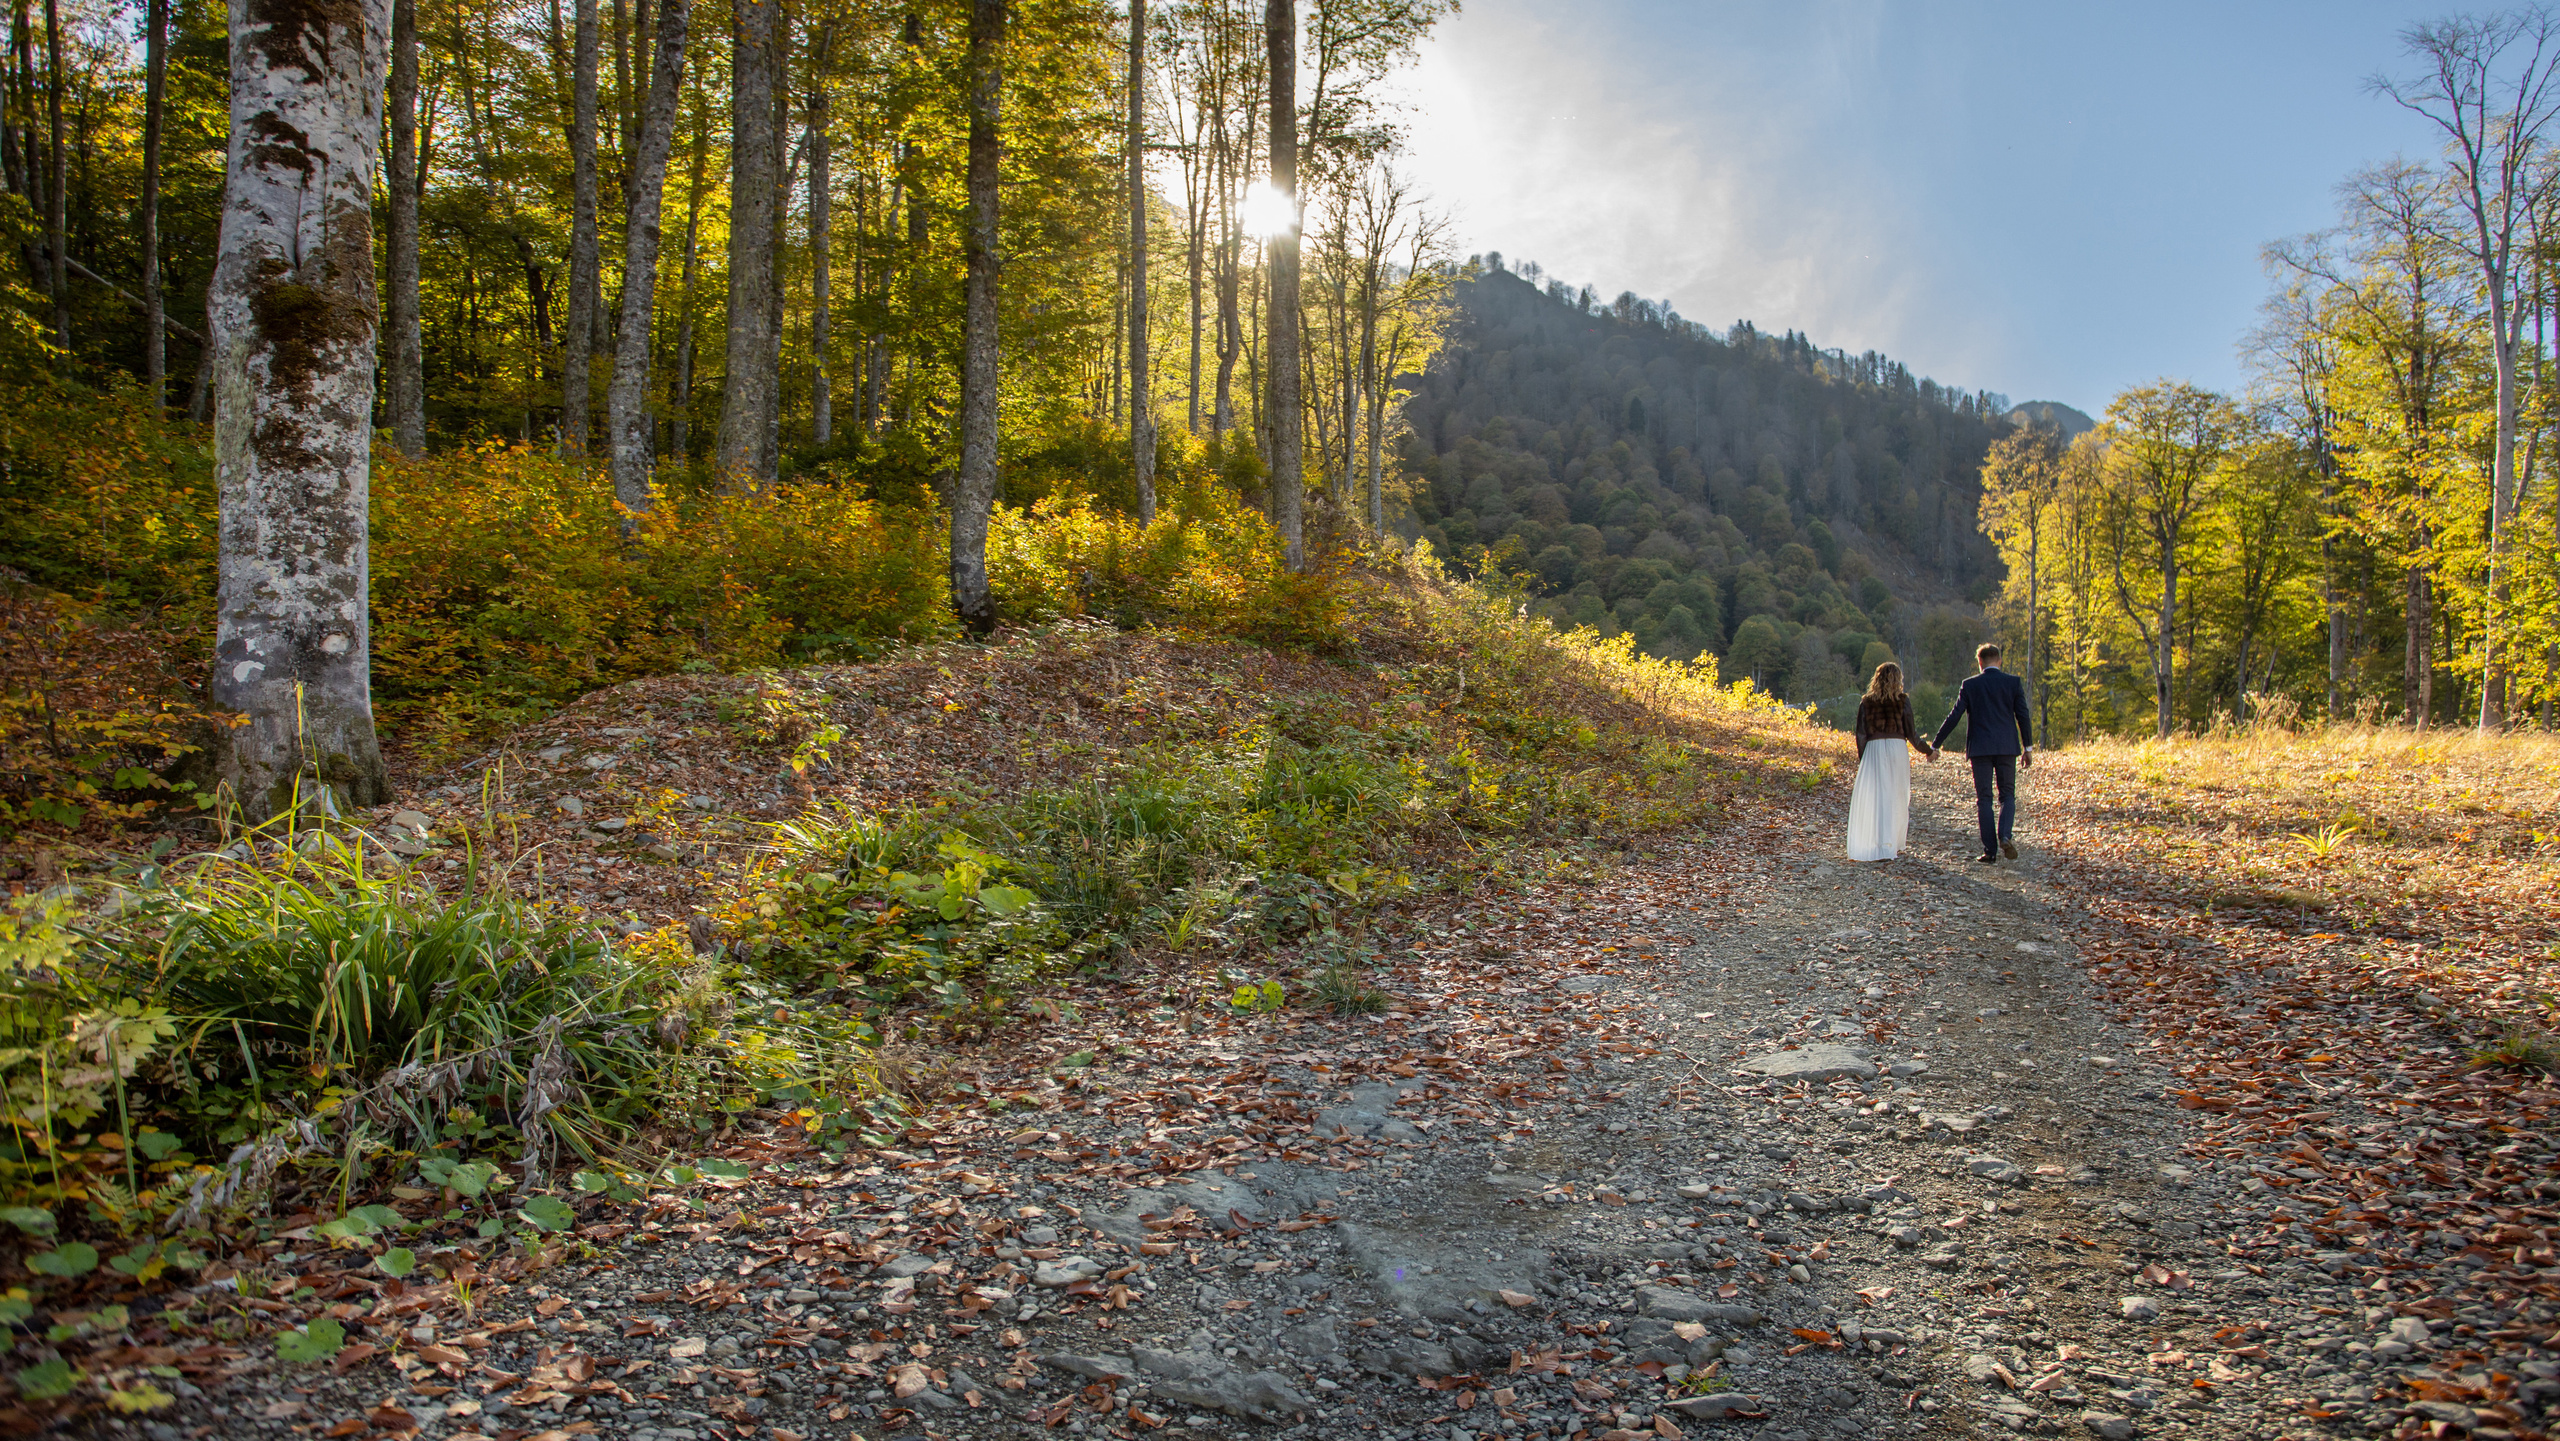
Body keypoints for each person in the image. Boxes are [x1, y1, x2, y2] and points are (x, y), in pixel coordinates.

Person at [1932, 642, 2034, 864]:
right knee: (2007, 794)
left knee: (1984, 799)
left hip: (1980, 749)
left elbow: (1954, 716)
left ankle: (1990, 851)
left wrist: (1936, 744)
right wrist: (2028, 748)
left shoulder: (1970, 685)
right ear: (1999, 660)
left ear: (1979, 663)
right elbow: (2023, 716)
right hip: (2007, 747)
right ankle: (2005, 834)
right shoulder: (2013, 683)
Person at [1846, 662, 1936, 861]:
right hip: (1897, 748)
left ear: (1876, 679)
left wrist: (1864, 761)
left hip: (1874, 748)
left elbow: (1861, 734)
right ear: (1898, 680)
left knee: (1878, 796)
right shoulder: (1902, 701)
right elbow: (1912, 734)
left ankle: (1879, 842)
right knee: (1897, 795)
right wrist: (1928, 751)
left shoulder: (1866, 702)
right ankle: (1893, 843)